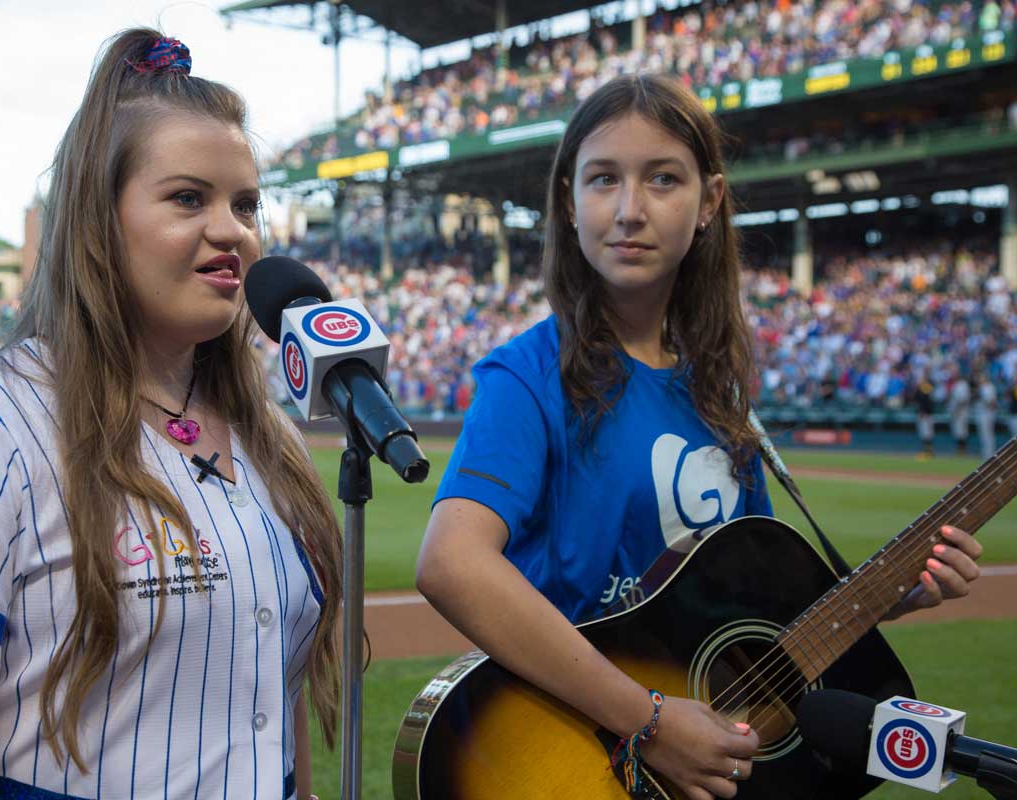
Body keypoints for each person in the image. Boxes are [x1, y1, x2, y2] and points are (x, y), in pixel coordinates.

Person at [415, 74, 983, 800]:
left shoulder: (723, 394)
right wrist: (645, 719)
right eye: (602, 180)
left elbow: (758, 616)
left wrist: (890, 595)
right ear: (567, 199)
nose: (628, 210)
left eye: (662, 179)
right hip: (570, 756)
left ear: (709, 202)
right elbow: (451, 564)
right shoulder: (524, 376)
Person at [0, 29, 339, 800]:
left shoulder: (273, 437)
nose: (233, 230)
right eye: (189, 198)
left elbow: (268, 718)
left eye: (246, 203)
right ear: (98, 220)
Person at [913, 371, 937, 459]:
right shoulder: (920, 388)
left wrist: (925, 412)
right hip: (922, 414)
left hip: (927, 414)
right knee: (924, 433)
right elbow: (915, 399)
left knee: (927, 433)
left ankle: (929, 452)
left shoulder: (927, 387)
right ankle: (926, 451)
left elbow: (927, 401)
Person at [949, 368, 972, 455]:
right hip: (956, 411)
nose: (953, 376)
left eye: (955, 374)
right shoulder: (956, 384)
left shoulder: (963, 384)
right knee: (958, 431)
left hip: (961, 412)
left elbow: (964, 400)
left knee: (962, 431)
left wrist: (957, 410)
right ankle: (960, 450)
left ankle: (962, 450)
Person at [976, 372, 999, 459]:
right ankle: (986, 453)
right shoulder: (982, 387)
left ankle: (990, 454)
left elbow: (993, 402)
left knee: (988, 435)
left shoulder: (989, 387)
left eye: (981, 377)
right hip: (982, 413)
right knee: (984, 435)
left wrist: (990, 410)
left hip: (987, 413)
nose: (980, 379)